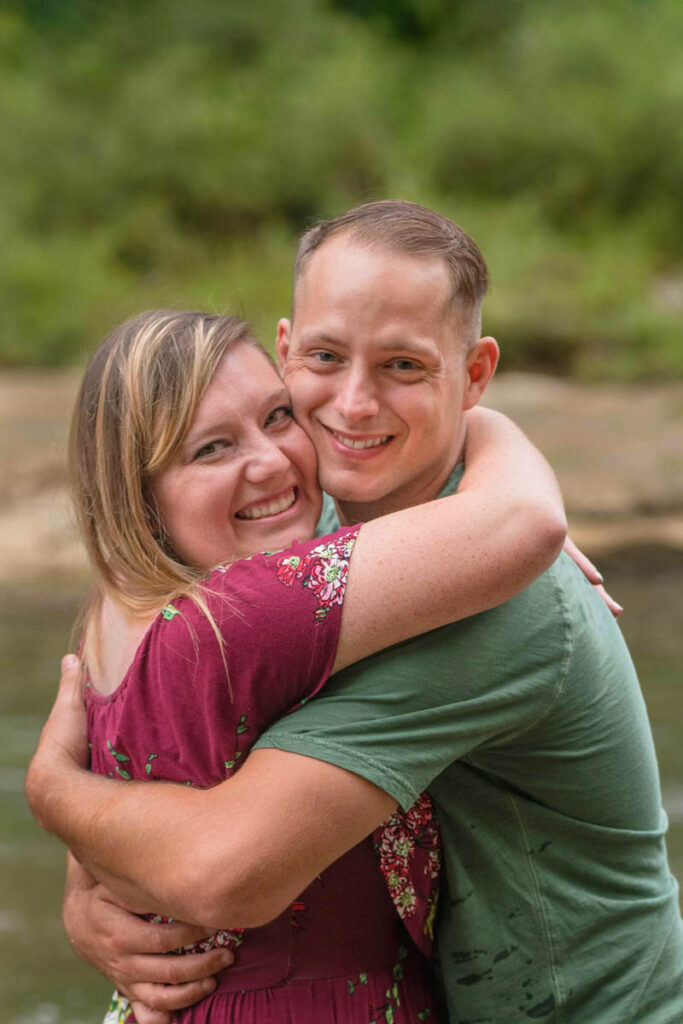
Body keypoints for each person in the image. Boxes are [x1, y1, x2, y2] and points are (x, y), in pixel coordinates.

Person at [28, 201, 682, 1023]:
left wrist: (55, 790)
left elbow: (221, 868)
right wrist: (89, 901)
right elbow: (169, 746)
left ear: (473, 375)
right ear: (284, 350)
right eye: (326, 357)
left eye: (403, 366)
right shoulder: (318, 523)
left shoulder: (492, 599)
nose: (354, 404)